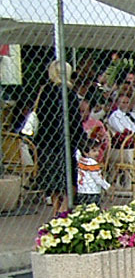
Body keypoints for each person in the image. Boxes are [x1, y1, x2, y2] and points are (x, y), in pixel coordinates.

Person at [36, 61, 87, 214]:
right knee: (70, 176)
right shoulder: (69, 93)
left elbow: (40, 114)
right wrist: (80, 138)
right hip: (67, 140)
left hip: (47, 139)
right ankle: (64, 208)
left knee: (53, 177)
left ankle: (56, 208)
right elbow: (74, 119)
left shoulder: (45, 91)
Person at [75, 135, 110, 208]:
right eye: (94, 151)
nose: (97, 153)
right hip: (93, 191)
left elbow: (77, 152)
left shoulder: (81, 161)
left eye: (98, 150)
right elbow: (97, 178)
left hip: (82, 191)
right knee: (94, 210)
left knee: (83, 209)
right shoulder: (92, 163)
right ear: (86, 152)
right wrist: (106, 186)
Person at [79, 98, 110, 165]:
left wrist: (101, 138)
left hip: (95, 151)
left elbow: (107, 143)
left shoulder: (97, 123)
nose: (80, 114)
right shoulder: (72, 124)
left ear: (89, 112)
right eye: (79, 111)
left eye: (83, 111)